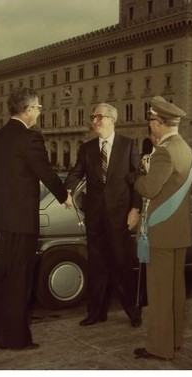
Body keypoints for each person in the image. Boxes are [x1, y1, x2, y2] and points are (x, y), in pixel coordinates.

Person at [0, 87, 73, 351]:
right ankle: (15, 339)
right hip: (22, 220)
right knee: (20, 280)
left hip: (2, 219)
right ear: (26, 109)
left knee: (2, 276)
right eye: (37, 107)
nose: (39, 112)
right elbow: (45, 172)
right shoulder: (31, 138)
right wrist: (63, 196)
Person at [127, 96, 192, 360]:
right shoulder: (186, 149)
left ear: (160, 123)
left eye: (151, 120)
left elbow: (150, 188)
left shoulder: (164, 151)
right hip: (179, 231)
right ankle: (174, 340)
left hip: (161, 233)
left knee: (158, 294)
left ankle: (158, 346)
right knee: (176, 292)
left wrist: (135, 178)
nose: (149, 125)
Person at [65, 102, 142, 328]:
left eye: (98, 117)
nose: (94, 121)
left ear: (112, 119)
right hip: (95, 218)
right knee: (96, 266)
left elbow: (137, 180)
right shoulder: (87, 149)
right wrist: (66, 191)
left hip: (120, 218)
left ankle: (133, 312)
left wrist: (135, 209)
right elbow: (76, 173)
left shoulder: (128, 145)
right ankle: (96, 313)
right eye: (93, 117)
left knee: (121, 265)